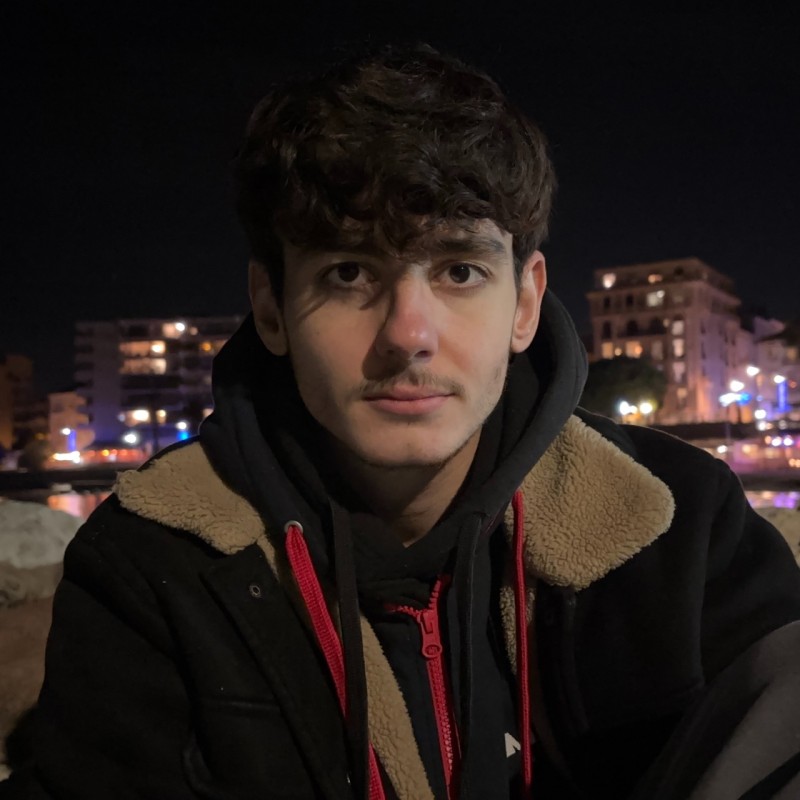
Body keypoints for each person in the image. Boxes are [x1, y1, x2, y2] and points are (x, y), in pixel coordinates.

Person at [4, 45, 800, 800]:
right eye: (349, 271)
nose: (408, 333)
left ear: (525, 303)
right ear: (270, 307)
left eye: (460, 270)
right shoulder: (151, 565)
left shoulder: (679, 524)